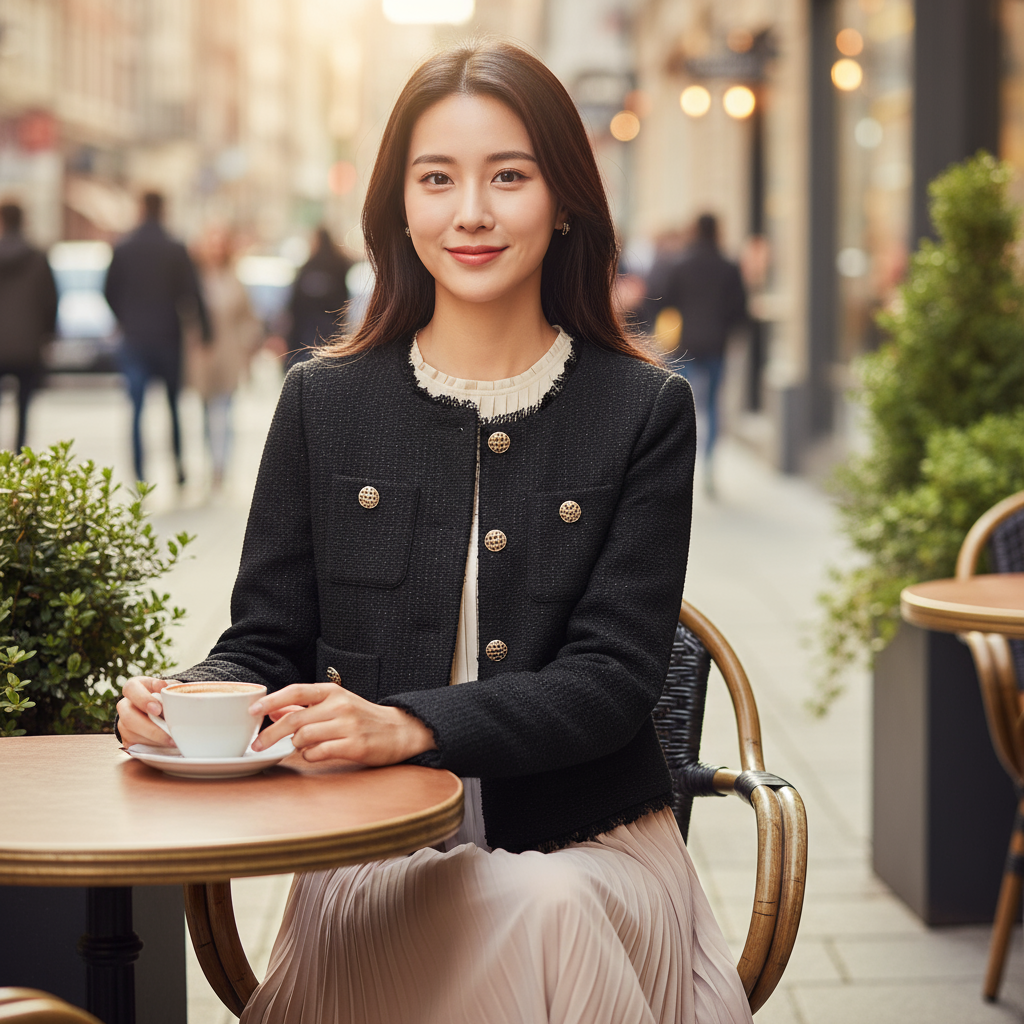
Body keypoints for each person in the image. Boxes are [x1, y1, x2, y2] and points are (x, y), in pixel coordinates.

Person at [116, 41, 752, 1024]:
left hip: (588, 852)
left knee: (545, 903)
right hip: (372, 856)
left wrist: (411, 725)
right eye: (437, 178)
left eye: (509, 175)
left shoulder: (643, 408)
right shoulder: (321, 403)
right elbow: (265, 640)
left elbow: (615, 679)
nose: (472, 213)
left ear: (566, 198)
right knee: (513, 911)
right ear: (397, 208)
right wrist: (184, 702)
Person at [104, 191, 211, 484]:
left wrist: (124, 318)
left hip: (135, 338)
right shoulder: (175, 247)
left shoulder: (124, 247)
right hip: (168, 336)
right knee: (173, 406)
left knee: (136, 408)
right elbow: (193, 292)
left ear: (141, 208)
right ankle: (177, 468)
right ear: (163, 208)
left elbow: (108, 291)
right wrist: (204, 329)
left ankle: (138, 472)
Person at [655, 214, 747, 496]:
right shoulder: (729, 266)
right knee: (713, 406)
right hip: (716, 345)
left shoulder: (680, 264)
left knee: (683, 406)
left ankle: (681, 466)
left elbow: (664, 300)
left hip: (683, 347)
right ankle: (708, 466)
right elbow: (740, 309)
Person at [187, 225, 263, 489]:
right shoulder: (196, 279)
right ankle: (211, 463)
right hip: (204, 354)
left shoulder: (234, 279)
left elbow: (248, 317)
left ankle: (222, 467)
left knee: (226, 412)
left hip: (230, 353)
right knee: (208, 412)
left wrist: (246, 345)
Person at [0, 201, 58, 450]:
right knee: (24, 407)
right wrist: (46, 336)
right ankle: (18, 459)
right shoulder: (38, 257)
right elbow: (51, 301)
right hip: (28, 344)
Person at [282, 225, 352, 370]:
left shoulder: (307, 267)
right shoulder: (339, 266)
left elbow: (294, 304)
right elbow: (343, 303)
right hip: (330, 335)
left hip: (305, 335)